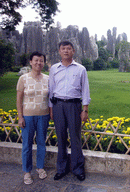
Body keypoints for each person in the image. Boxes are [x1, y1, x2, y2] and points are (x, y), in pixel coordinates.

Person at [49, 40, 91, 181]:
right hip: (58, 105)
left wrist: (85, 109)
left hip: (74, 106)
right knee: (60, 138)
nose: (66, 51)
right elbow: (51, 90)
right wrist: (51, 109)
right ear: (59, 51)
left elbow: (85, 90)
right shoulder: (54, 69)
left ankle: (78, 169)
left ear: (73, 51)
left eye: (68, 48)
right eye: (63, 48)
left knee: (75, 138)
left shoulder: (80, 69)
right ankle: (61, 168)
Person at [16, 51, 50, 185]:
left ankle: (40, 168)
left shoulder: (48, 79)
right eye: (36, 60)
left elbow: (51, 98)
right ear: (30, 62)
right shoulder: (23, 78)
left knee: (42, 143)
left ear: (44, 63)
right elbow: (19, 99)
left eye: (41, 60)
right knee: (27, 145)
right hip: (28, 116)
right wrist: (20, 117)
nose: (38, 63)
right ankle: (27, 172)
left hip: (44, 115)